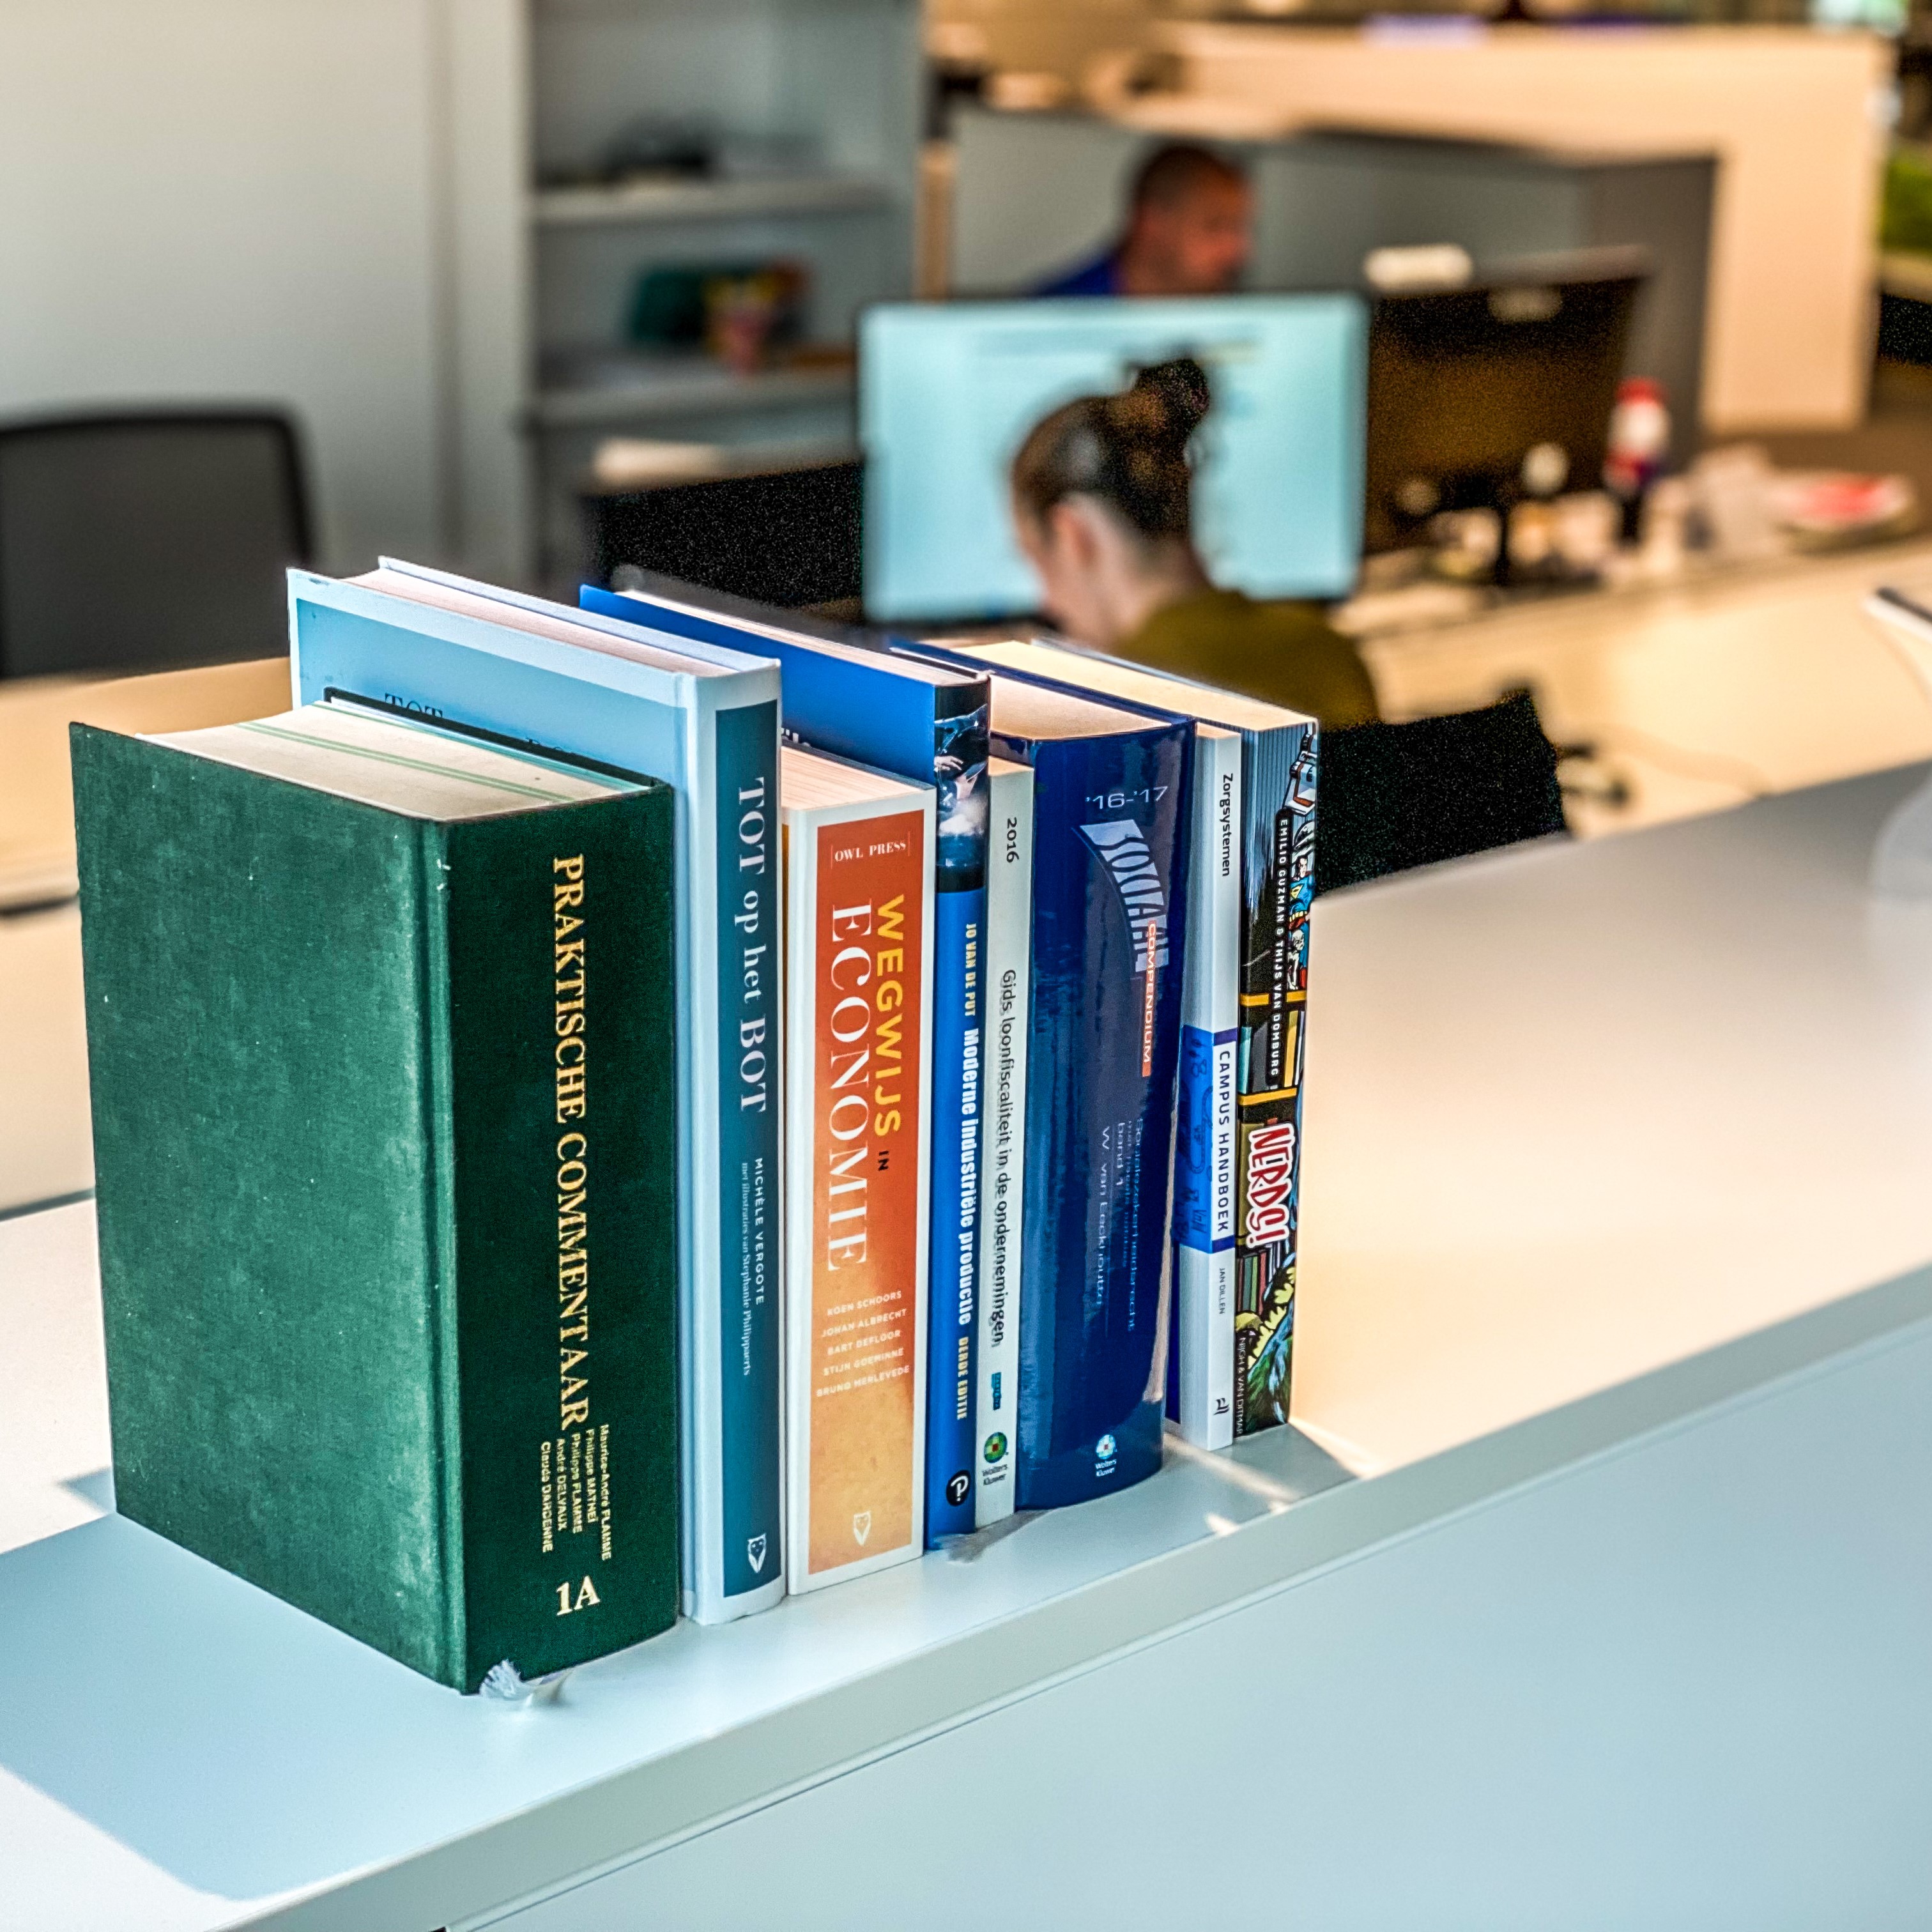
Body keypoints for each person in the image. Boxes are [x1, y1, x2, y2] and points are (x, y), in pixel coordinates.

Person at [1009, 357, 1379, 730]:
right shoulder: (1331, 652)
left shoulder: (1111, 707)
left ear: (1073, 535)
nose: (1048, 603)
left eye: (1037, 560)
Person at [1034, 144, 1252, 300]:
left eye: (1238, 228)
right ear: (1153, 224)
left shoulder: (1211, 317)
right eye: (1215, 226)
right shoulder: (1054, 319)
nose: (1238, 252)